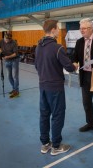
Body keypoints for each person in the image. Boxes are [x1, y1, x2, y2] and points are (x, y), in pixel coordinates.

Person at [35, 20, 77, 156]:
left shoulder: (38, 47)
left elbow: (37, 66)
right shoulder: (58, 48)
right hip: (55, 87)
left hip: (42, 86)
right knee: (57, 115)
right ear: (53, 30)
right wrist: (75, 66)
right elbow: (69, 67)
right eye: (58, 28)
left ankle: (45, 144)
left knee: (44, 114)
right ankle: (56, 146)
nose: (59, 30)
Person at [0, 32, 20, 98]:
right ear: (4, 37)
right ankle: (14, 89)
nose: (7, 41)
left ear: (11, 38)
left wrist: (7, 57)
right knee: (9, 76)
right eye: (6, 39)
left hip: (14, 60)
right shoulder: (1, 41)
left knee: (15, 76)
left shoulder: (14, 43)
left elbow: (15, 54)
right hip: (7, 61)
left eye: (8, 39)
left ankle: (16, 91)